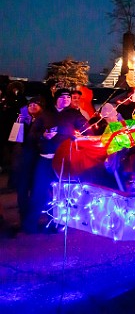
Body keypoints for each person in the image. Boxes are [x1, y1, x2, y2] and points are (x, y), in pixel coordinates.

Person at [24, 88, 88, 233]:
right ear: (56, 98)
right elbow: (31, 135)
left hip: (64, 160)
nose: (65, 99)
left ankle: (58, 223)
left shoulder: (74, 114)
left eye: (68, 97)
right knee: (39, 191)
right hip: (45, 158)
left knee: (62, 193)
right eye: (62, 97)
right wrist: (43, 135)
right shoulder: (45, 114)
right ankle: (30, 225)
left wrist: (78, 136)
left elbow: (88, 129)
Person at [13, 96, 45, 231]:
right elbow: (15, 139)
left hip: (38, 159)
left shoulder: (43, 120)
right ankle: (23, 218)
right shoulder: (22, 119)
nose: (32, 106)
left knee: (37, 190)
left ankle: (32, 220)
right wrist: (19, 124)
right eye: (30, 104)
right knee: (22, 190)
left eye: (36, 104)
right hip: (23, 160)